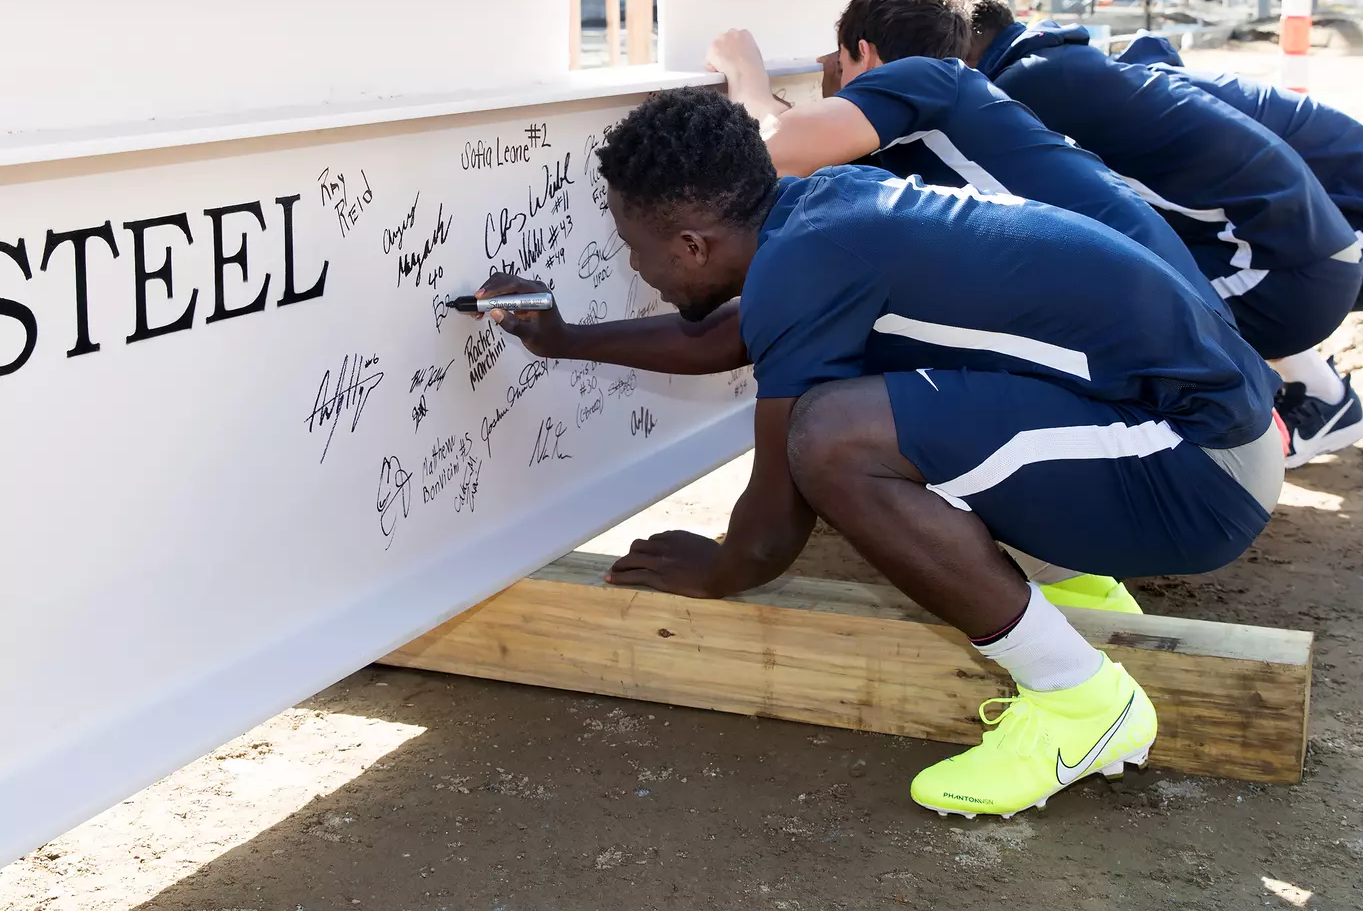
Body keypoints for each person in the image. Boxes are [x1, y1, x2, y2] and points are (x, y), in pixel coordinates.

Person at [480, 87, 1284, 816]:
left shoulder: (805, 260)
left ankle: (1080, 702)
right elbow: (742, 331)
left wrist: (723, 565)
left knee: (835, 437)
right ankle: (1079, 589)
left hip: (1197, 474)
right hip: (1193, 439)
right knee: (876, 408)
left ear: (690, 245)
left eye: (633, 247)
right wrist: (565, 341)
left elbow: (774, 524)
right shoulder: (818, 214)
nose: (634, 264)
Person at [947, 0, 1363, 469]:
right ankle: (1315, 394)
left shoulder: (1029, 84)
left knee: (1105, 311)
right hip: (1308, 253)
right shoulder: (1061, 61)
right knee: (1134, 262)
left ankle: (1222, 451)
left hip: (1288, 274)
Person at [704, 0, 1228, 316]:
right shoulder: (949, 109)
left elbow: (779, 154)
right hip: (1172, 310)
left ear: (862, 52)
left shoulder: (927, 79)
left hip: (1165, 325)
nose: (834, 81)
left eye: (840, 64)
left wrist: (746, 78)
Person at [1113, 31, 1363, 461]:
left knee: (1173, 286)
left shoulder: (1146, 110)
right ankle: (1318, 395)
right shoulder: (1149, 89)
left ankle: (1300, 406)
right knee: (1192, 264)